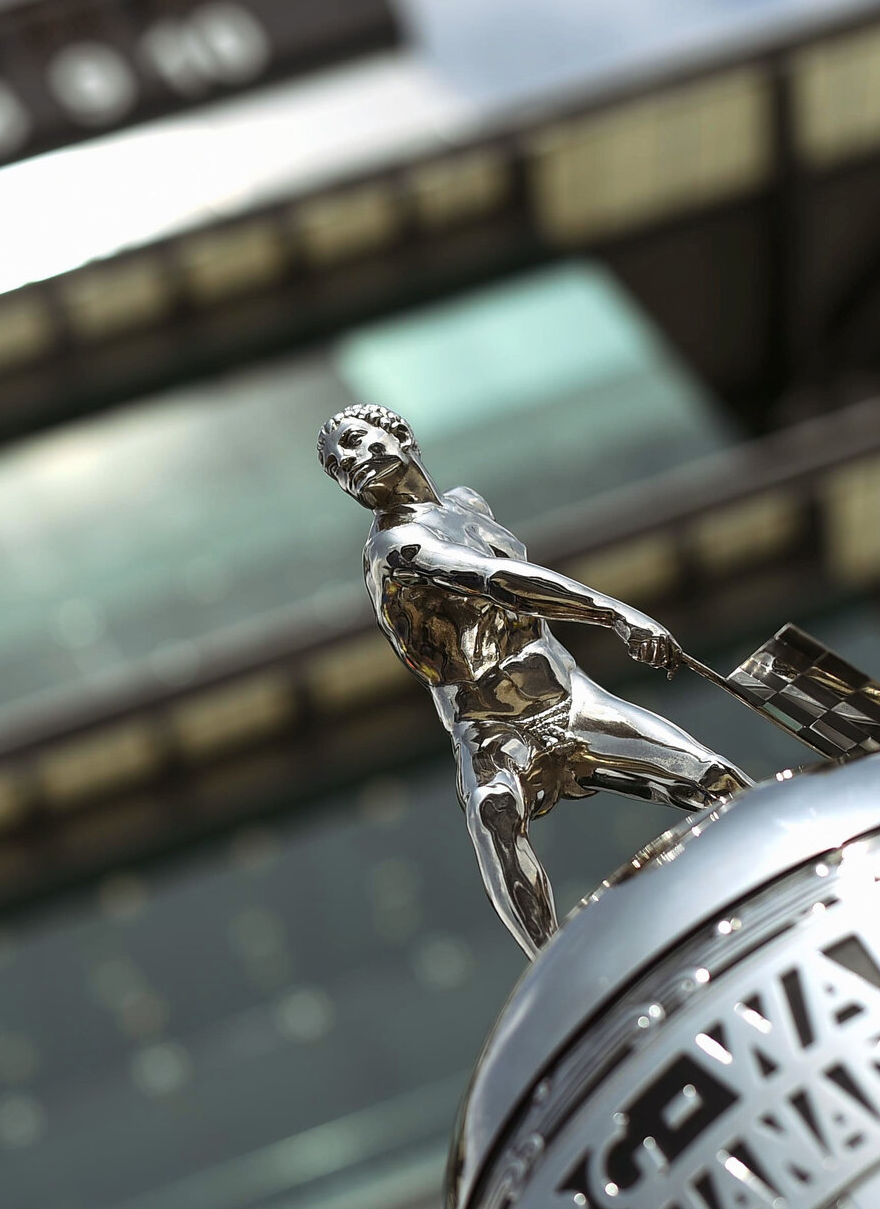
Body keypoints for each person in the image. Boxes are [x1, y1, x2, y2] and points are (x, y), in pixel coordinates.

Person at [318, 404, 748, 954]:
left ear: (399, 435)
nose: (351, 463)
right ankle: (558, 975)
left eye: (357, 442)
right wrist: (613, 612)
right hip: (494, 735)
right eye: (338, 465)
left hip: (571, 699)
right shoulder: (393, 548)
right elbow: (495, 580)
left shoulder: (467, 505)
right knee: (494, 819)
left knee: (714, 777)